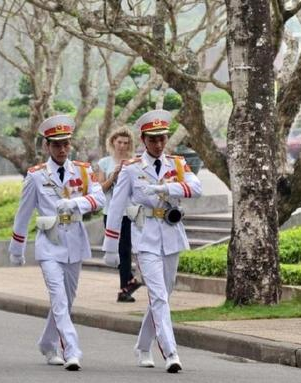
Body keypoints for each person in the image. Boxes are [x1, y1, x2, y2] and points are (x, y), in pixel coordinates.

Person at [102, 110, 202, 373]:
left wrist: (166, 188)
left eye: (162, 139)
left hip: (171, 236)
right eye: (153, 139)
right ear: (144, 140)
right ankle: (170, 352)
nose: (158, 144)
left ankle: (143, 346)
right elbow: (116, 207)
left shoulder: (178, 164)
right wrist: (111, 246)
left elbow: (196, 188)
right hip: (145, 238)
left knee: (163, 296)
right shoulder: (131, 168)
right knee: (158, 295)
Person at [8, 115, 105, 371]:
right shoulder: (36, 176)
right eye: (56, 144)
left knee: (67, 300)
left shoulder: (82, 170)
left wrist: (76, 203)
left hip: (74, 242)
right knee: (59, 299)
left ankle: (47, 343)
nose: (62, 149)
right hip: (49, 244)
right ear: (47, 146)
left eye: (66, 144)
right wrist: (17, 249)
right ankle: (71, 349)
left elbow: (99, 199)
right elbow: (23, 214)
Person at [96, 128, 142, 302]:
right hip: (110, 212)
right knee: (116, 251)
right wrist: (113, 176)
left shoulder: (134, 162)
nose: (122, 146)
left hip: (129, 213)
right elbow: (100, 189)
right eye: (119, 142)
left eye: (126, 142)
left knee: (125, 250)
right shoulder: (105, 163)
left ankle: (125, 289)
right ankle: (128, 283)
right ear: (112, 142)